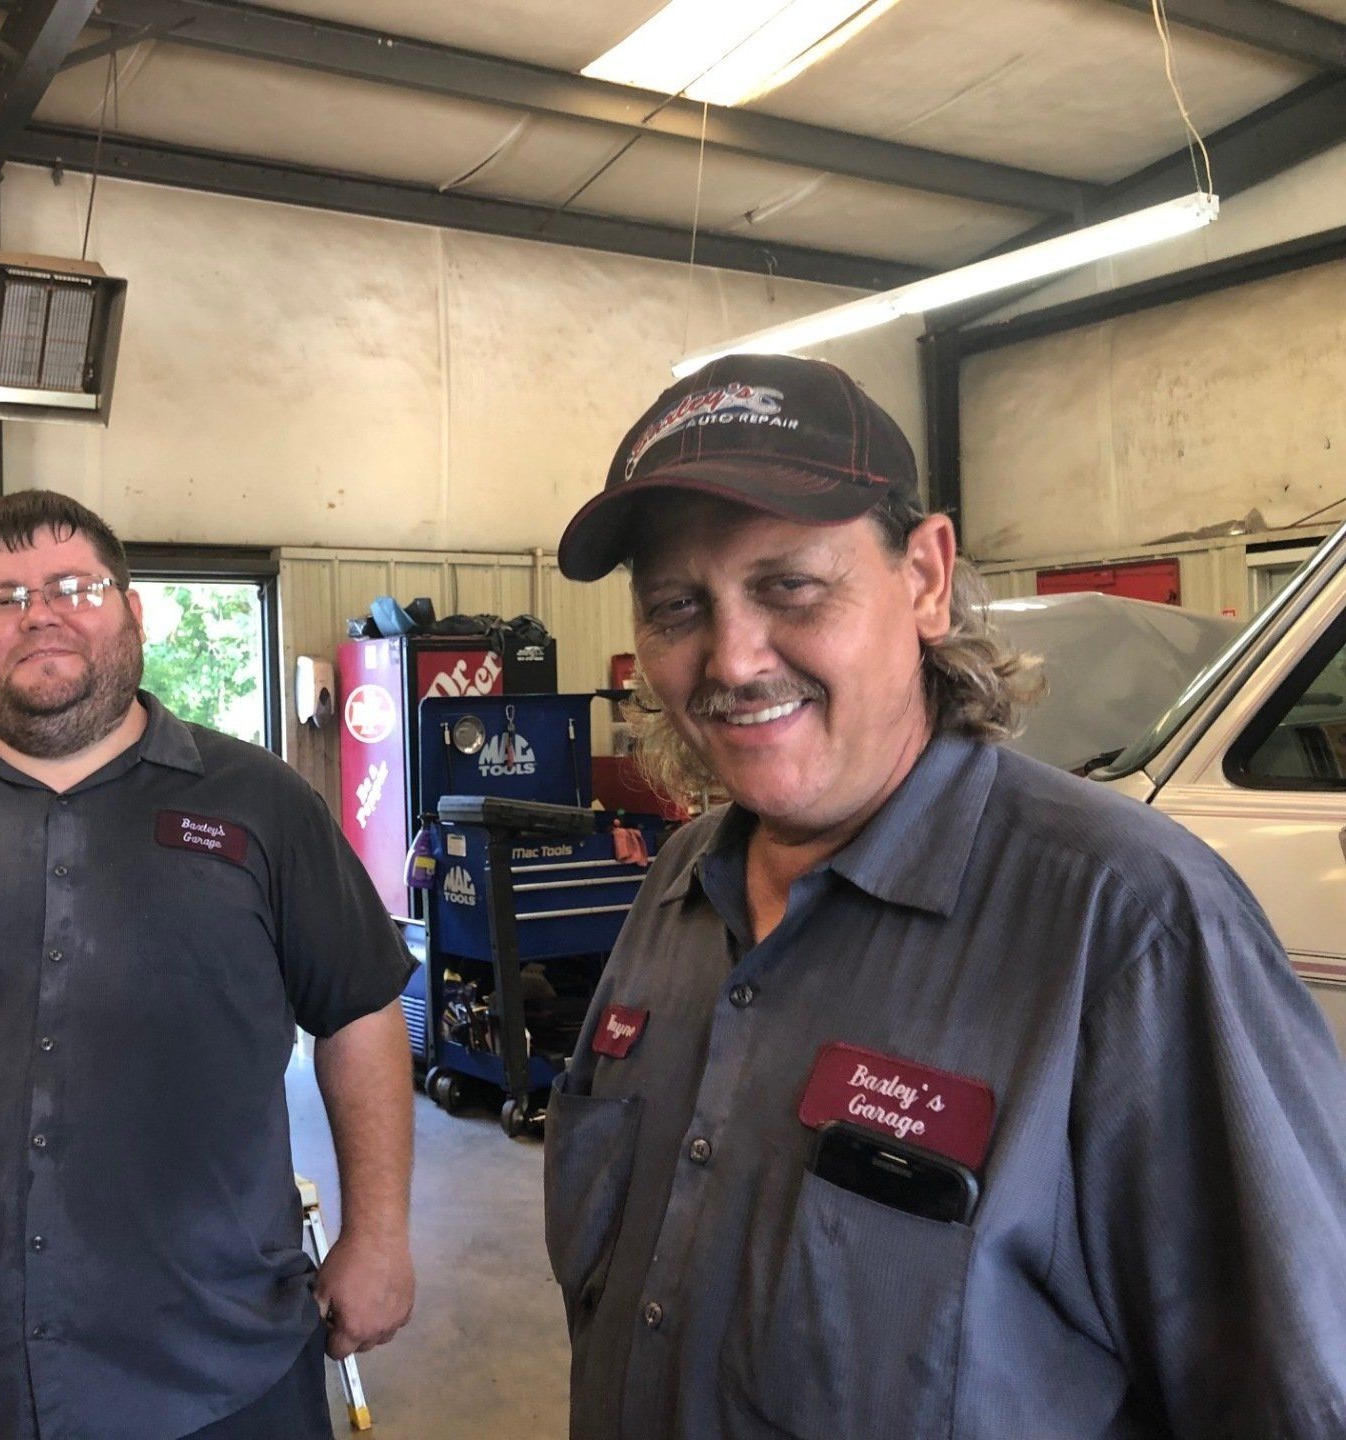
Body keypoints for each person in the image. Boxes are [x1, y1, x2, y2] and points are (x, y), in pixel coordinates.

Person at [543, 353, 1346, 1439]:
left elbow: (1299, 1400)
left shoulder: (1131, 930)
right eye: (679, 606)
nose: (730, 659)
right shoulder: (675, 897)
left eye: (789, 585)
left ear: (924, 577)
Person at [0, 490, 417, 1440]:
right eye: (3, 596)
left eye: (74, 585)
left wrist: (378, 1235)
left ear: (132, 610)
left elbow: (358, 1014)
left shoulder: (261, 806)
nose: (40, 613)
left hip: (220, 1371)